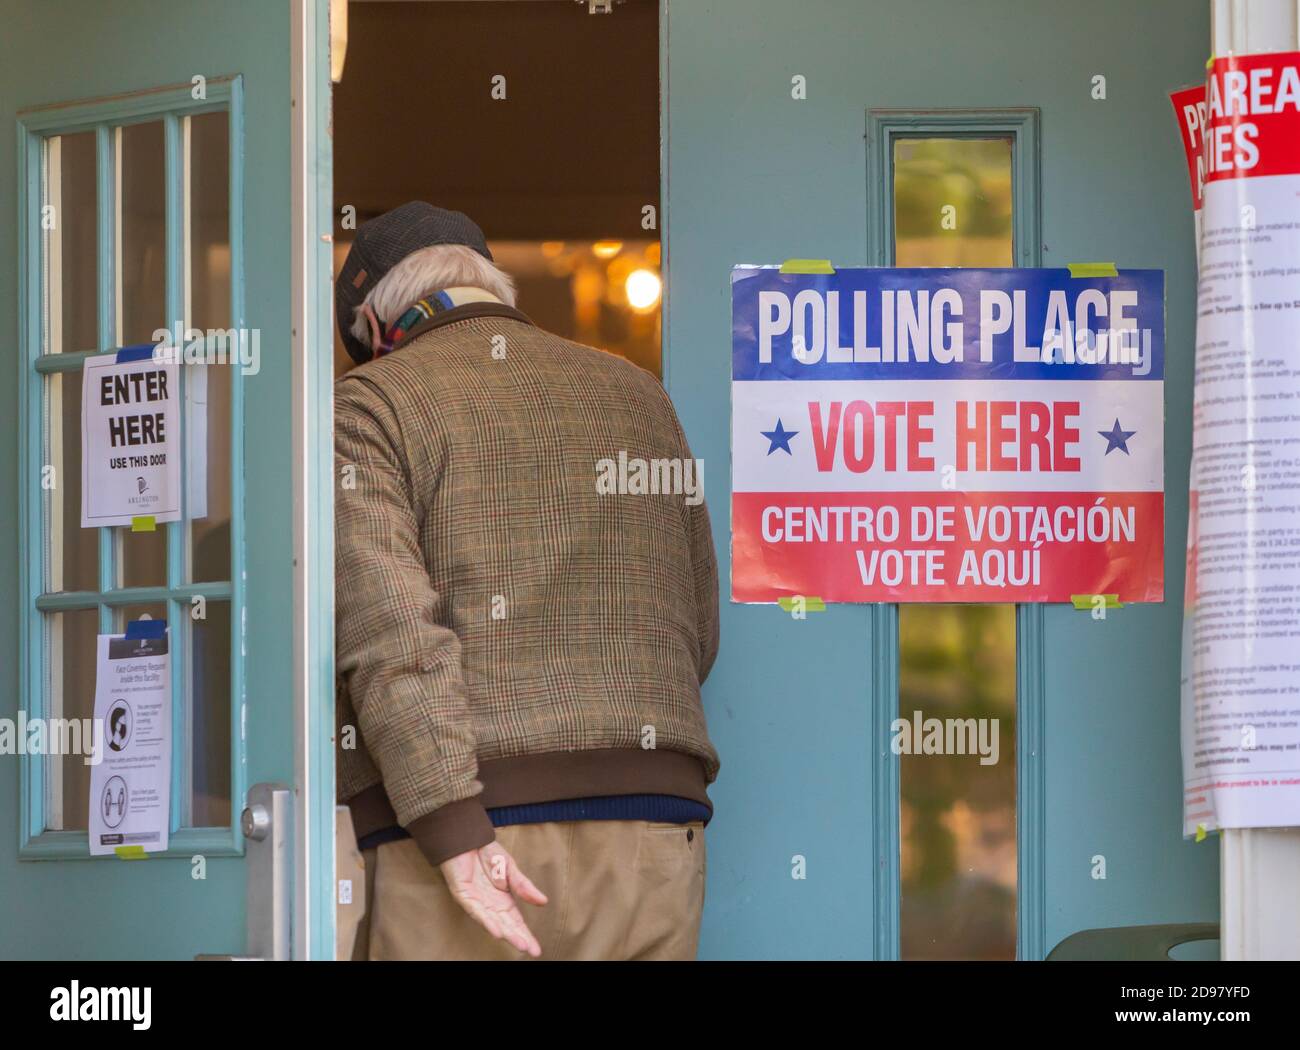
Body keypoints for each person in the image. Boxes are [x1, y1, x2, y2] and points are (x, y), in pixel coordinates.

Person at [333, 202, 720, 960]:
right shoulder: (642, 395)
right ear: (494, 288)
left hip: (467, 833)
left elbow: (390, 633)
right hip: (655, 833)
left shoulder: (374, 402)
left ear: (374, 330)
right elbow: (697, 628)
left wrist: (450, 822)